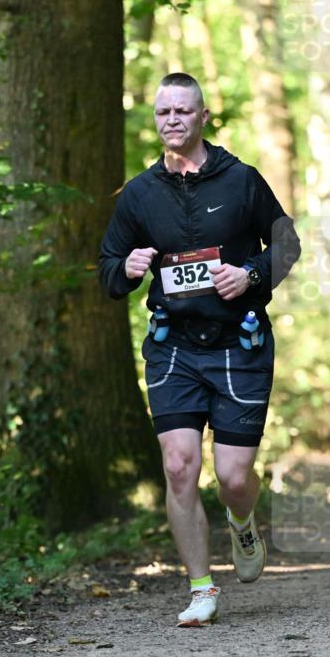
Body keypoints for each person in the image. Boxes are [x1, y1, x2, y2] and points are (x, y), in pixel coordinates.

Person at [99, 73, 301, 627]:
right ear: (156, 118)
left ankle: (243, 521)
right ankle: (201, 589)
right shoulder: (139, 194)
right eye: (164, 112)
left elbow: (287, 243)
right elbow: (108, 269)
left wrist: (252, 273)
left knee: (233, 477)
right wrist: (128, 269)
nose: (173, 120)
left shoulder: (242, 181)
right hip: (173, 348)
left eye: (183, 111)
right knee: (179, 465)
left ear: (203, 116)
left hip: (239, 343)